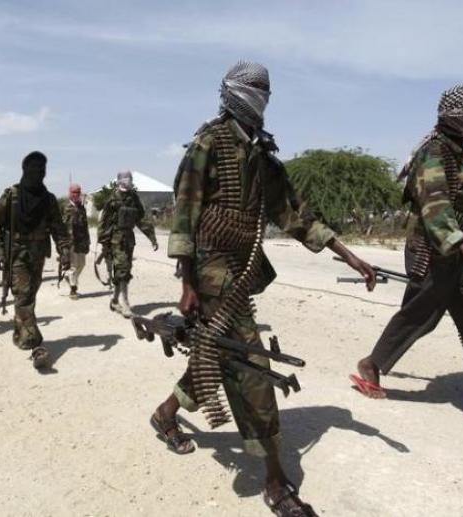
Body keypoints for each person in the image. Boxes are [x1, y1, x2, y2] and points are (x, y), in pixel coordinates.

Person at [152, 61, 376, 517]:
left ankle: (166, 413)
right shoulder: (209, 144)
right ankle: (275, 481)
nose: (262, 95)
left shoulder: (262, 153)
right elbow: (186, 213)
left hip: (240, 271)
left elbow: (294, 214)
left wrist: (348, 254)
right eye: (254, 88)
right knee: (252, 366)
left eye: (266, 89)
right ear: (232, 91)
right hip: (211, 274)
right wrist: (187, 282)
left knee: (216, 355)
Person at [350, 84, 463, 433]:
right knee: (421, 316)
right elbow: (435, 207)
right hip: (432, 253)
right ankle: (372, 365)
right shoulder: (434, 153)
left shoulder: (457, 150)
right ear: (458, 116)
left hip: (460, 253)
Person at [0, 151, 71, 369]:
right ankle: (36, 343)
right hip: (16, 255)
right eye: (34, 169)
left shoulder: (48, 199)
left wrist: (64, 251)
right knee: (23, 296)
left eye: (42, 170)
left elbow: (58, 228)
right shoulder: (12, 196)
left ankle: (20, 334)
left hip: (38, 255)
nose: (39, 173)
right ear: (25, 170)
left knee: (28, 296)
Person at [96, 171, 158, 317]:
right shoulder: (112, 200)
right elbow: (103, 223)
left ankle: (115, 300)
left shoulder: (133, 197)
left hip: (129, 240)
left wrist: (152, 238)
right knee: (123, 271)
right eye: (125, 178)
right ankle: (125, 304)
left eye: (129, 178)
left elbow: (141, 219)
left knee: (123, 271)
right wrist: (104, 244)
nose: (128, 180)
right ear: (119, 181)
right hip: (115, 241)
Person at [61, 183, 91, 300]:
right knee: (74, 266)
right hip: (71, 242)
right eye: (73, 192)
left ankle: (69, 277)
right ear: (69, 193)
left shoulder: (81, 207)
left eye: (78, 192)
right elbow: (63, 226)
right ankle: (73, 290)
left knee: (82, 264)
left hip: (82, 241)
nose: (76, 194)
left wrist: (87, 241)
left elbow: (85, 225)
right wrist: (64, 244)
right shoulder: (66, 207)